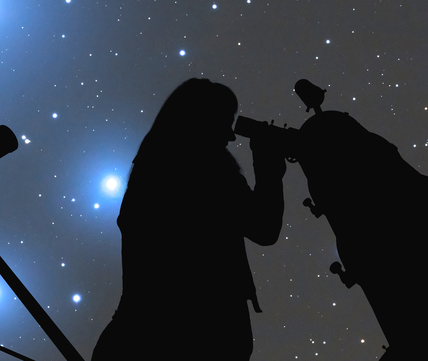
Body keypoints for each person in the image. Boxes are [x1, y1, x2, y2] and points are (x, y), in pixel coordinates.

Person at [92, 78, 286, 360]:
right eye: (224, 122)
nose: (231, 137)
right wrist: (269, 168)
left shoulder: (150, 170)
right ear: (202, 121)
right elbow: (265, 228)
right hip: (199, 335)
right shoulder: (209, 170)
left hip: (135, 336)